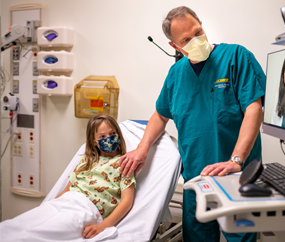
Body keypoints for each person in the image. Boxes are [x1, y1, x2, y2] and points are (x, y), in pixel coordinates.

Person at [119, 6, 265, 242]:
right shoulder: (176, 74)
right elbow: (160, 115)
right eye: (187, 39)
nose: (197, 40)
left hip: (237, 177)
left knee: (241, 237)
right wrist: (142, 148)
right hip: (197, 181)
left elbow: (254, 109)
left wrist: (235, 160)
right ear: (175, 47)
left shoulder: (237, 57)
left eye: (198, 32)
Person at [0, 114, 136, 240]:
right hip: (66, 201)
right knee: (21, 223)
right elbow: (66, 190)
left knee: (38, 233)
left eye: (112, 133)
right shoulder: (86, 161)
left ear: (118, 134)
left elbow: (126, 201)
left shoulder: (124, 164)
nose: (108, 138)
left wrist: (102, 226)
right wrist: (49, 207)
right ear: (94, 141)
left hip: (87, 209)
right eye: (102, 137)